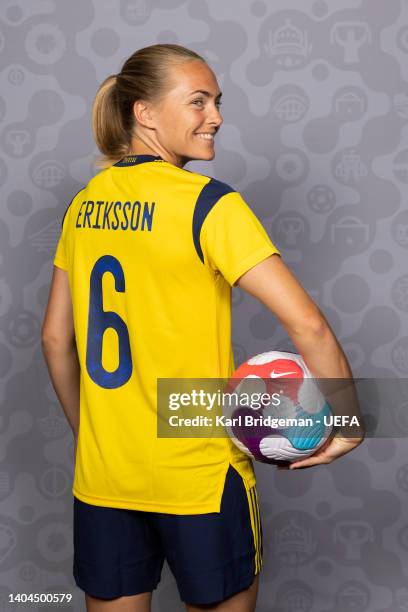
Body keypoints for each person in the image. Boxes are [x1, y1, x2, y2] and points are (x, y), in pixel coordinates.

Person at [41, 44, 364, 612]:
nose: (215, 116)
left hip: (106, 477)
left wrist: (93, 440)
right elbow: (307, 323)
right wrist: (348, 420)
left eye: (216, 102)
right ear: (143, 112)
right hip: (199, 475)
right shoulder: (208, 205)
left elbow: (54, 338)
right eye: (197, 102)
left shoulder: (83, 205)